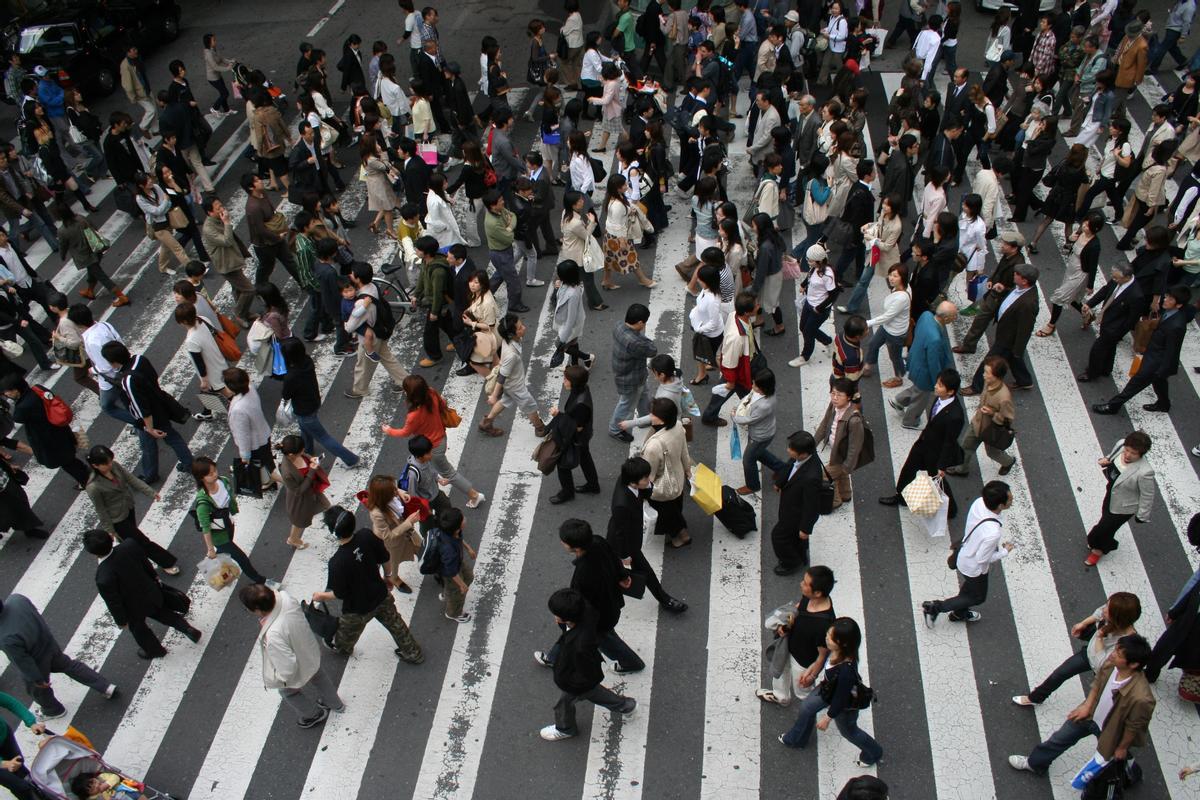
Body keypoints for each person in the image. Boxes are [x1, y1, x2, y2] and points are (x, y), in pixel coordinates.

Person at [1008, 635, 1156, 777]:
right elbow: (1099, 682)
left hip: (1111, 730)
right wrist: (1087, 705)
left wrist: (1122, 747)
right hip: (1089, 714)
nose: (1112, 654)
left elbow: (1134, 726)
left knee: (1114, 755)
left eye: (1118, 653)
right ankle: (1035, 764)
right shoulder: (1112, 664)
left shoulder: (1142, 698)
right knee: (1059, 738)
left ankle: (1130, 770)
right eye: (1116, 648)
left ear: (1134, 664)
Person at [313, 506, 424, 661]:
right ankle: (413, 653)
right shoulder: (366, 535)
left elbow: (339, 593)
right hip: (380, 594)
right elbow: (385, 558)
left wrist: (321, 596)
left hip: (357, 609)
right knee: (396, 624)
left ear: (333, 532)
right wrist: (388, 577)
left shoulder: (337, 563)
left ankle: (342, 648)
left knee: (346, 635)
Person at [534, 519, 644, 674]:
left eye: (564, 541)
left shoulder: (583, 574)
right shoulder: (598, 541)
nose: (561, 542)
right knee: (575, 635)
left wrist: (567, 618)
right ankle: (553, 658)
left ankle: (631, 663)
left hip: (598, 619)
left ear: (576, 547)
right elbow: (613, 558)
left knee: (604, 640)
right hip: (611, 604)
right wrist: (623, 576)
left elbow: (581, 604)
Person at [778, 617, 882, 767]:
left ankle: (874, 752)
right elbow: (823, 661)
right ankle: (796, 739)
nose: (826, 638)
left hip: (842, 705)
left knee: (849, 732)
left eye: (831, 638)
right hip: (828, 689)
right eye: (828, 634)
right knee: (807, 708)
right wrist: (811, 672)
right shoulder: (836, 651)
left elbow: (840, 698)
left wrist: (827, 718)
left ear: (844, 643)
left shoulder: (846, 671)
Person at [239, 583, 344, 731]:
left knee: (288, 692)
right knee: (319, 676)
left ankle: (312, 715)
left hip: (298, 662)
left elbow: (288, 669)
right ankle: (336, 704)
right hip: (309, 650)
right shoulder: (286, 598)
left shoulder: (273, 635)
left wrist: (277, 678)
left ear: (257, 610)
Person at [82, 530, 201, 659]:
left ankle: (155, 650)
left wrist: (121, 620)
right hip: (150, 591)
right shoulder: (129, 545)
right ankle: (187, 629)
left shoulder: (103, 577)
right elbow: (146, 564)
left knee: (139, 630)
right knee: (163, 613)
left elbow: (113, 602)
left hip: (132, 608)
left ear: (94, 553)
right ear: (111, 538)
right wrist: (154, 579)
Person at [537, 587, 637, 741]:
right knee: (595, 694)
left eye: (556, 614)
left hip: (578, 682)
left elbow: (584, 668)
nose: (554, 617)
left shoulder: (578, 645)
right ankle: (626, 706)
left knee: (565, 703)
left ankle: (566, 729)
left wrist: (572, 684)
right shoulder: (587, 613)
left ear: (566, 618)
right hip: (584, 679)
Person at [1015, 591, 1142, 707]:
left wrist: (1099, 637)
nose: (1104, 609)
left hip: (1102, 668)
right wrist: (1084, 623)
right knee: (1060, 674)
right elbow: (1098, 613)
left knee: (1100, 697)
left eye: (1108, 610)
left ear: (1118, 618)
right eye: (1107, 605)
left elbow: (1101, 664)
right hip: (1088, 654)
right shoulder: (1111, 616)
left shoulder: (1126, 642)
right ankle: (1036, 697)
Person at [0, 593, 115, 719]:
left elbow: (22, 661)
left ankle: (52, 710)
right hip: (49, 644)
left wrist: (37, 680)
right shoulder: (17, 600)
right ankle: (105, 686)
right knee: (69, 665)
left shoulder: (5, 638)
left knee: (37, 690)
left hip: (37, 661)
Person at [381, 374, 484, 507]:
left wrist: (388, 430)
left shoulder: (414, 415)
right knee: (437, 467)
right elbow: (443, 404)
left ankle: (474, 495)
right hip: (441, 437)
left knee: (449, 473)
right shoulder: (431, 392)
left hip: (432, 447)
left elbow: (405, 432)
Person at [922, 480, 1014, 625]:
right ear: (1000, 505)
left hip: (964, 554)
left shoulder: (979, 503)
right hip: (975, 568)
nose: (1012, 499)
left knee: (971, 589)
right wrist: (1004, 551)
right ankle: (936, 607)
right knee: (978, 597)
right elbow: (983, 559)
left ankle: (959, 613)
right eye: (1009, 499)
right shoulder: (993, 533)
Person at [880, 368, 965, 517]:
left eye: (940, 385)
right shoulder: (940, 398)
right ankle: (901, 497)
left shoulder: (955, 415)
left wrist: (942, 465)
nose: (935, 387)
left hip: (936, 453)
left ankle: (951, 509)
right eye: (937, 383)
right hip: (923, 444)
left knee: (938, 480)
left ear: (950, 391)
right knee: (908, 469)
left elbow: (949, 442)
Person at [607, 456, 687, 613]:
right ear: (633, 482)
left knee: (614, 569)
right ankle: (665, 600)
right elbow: (620, 533)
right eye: (645, 478)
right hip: (624, 543)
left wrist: (647, 486)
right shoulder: (621, 504)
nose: (649, 479)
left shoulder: (629, 481)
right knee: (643, 570)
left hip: (630, 534)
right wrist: (624, 555)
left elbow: (646, 491)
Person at [1094, 286, 1190, 414]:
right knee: (1159, 382)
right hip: (1154, 355)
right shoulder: (1171, 312)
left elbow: (1172, 350)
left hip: (1156, 362)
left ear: (1179, 305)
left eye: (1170, 299)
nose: (1165, 299)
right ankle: (1164, 404)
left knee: (1135, 383)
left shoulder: (1176, 326)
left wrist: (1162, 370)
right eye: (1167, 296)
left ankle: (1113, 406)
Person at [85, 445, 179, 573]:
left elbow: (131, 478)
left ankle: (136, 559)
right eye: (106, 463)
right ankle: (166, 562)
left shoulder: (115, 466)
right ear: (96, 465)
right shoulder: (94, 487)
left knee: (133, 540)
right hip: (117, 519)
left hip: (128, 508)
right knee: (142, 541)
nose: (110, 464)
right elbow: (101, 510)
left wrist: (150, 492)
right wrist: (110, 530)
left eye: (110, 460)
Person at [757, 565, 836, 706]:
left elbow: (822, 655)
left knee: (803, 690)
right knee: (780, 673)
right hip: (789, 647)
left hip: (803, 662)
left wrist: (812, 675)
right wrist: (784, 626)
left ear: (817, 593)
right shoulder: (809, 597)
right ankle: (780, 697)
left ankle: (808, 708)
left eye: (805, 583)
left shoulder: (824, 625)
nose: (801, 584)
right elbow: (797, 609)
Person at [0, 375, 90, 488]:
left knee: (67, 463)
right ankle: (84, 471)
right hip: (60, 429)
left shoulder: (22, 407)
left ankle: (85, 480)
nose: (6, 395)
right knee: (70, 458)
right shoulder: (38, 389)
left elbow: (17, 418)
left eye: (7, 392)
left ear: (16, 390)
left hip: (49, 441)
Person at [1083, 431, 1156, 567]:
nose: (1127, 454)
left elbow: (1148, 495)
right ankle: (1099, 542)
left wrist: (1142, 515)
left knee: (1105, 528)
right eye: (1127, 450)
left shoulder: (1145, 472)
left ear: (1141, 454)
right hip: (1111, 493)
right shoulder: (1121, 444)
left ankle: (1098, 549)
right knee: (1105, 523)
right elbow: (1113, 455)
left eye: (1133, 453)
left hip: (1124, 507)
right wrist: (1107, 459)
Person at [965, 263, 1039, 394]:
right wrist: (1004, 290)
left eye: (1017, 274)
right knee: (1013, 358)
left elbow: (1025, 329)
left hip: (1007, 339)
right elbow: (1013, 298)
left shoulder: (1028, 304)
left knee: (990, 361)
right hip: (1005, 333)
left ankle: (976, 386)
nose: (1014, 275)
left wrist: (1018, 349)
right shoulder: (1021, 289)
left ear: (1025, 281)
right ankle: (1025, 380)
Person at [1147, 514, 1200, 690]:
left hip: (1194, 611)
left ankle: (1152, 672)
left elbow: (1194, 583)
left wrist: (1175, 610)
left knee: (1171, 640)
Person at [345, 261, 409, 399]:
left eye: (352, 274)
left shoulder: (362, 302)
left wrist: (344, 322)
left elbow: (350, 326)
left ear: (358, 279)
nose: (350, 275)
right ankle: (406, 382)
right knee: (387, 358)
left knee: (363, 364)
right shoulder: (373, 286)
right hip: (380, 331)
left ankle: (359, 389)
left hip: (370, 338)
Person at [889, 301, 957, 429]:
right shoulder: (935, 339)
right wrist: (938, 381)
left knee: (917, 389)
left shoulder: (926, 316)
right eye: (954, 316)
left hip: (915, 359)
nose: (955, 318)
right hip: (924, 372)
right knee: (921, 398)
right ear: (946, 318)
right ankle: (910, 421)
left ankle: (899, 400)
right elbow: (933, 363)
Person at [479, 314, 546, 437]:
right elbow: (502, 376)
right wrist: (494, 396)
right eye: (520, 328)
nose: (524, 328)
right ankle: (540, 428)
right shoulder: (511, 355)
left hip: (511, 384)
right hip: (516, 387)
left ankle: (486, 423)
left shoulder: (509, 339)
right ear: (511, 334)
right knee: (530, 406)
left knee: (505, 400)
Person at [1038, 211, 1103, 337]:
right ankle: (1088, 315)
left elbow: (1093, 266)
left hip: (1081, 273)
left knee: (1059, 298)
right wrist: (1072, 240)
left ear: (1095, 228)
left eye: (1088, 225)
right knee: (1072, 299)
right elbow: (1074, 246)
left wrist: (1090, 285)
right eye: (1085, 222)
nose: (1084, 226)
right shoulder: (1081, 233)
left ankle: (1051, 325)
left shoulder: (1095, 245)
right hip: (1072, 268)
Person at [948, 356, 1016, 478]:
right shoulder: (987, 383)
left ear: (996, 376)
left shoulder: (1004, 397)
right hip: (977, 423)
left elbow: (1008, 418)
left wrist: (992, 414)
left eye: (986, 373)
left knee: (992, 453)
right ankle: (962, 469)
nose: (983, 375)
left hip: (991, 430)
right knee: (965, 446)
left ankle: (1009, 462)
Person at [1076, 263, 1144, 383]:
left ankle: (1092, 373)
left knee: (1097, 349)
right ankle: (1106, 368)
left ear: (1127, 277)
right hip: (1107, 320)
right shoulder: (1117, 281)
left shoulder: (1136, 295)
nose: (1113, 279)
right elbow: (1105, 291)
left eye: (1116, 278)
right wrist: (1090, 303)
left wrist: (1118, 334)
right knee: (1110, 347)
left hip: (1115, 328)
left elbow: (1132, 319)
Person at [701, 291, 759, 427]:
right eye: (756, 305)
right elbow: (730, 363)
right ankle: (748, 417)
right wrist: (731, 381)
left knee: (742, 394)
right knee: (742, 393)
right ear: (746, 312)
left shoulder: (735, 315)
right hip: (738, 369)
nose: (758, 306)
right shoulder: (737, 338)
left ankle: (710, 415)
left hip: (742, 365)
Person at [771, 431, 822, 576]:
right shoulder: (802, 458)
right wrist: (780, 482)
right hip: (790, 507)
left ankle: (791, 562)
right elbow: (790, 466)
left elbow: (812, 506)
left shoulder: (811, 477)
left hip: (794, 514)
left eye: (791, 449)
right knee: (794, 537)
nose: (788, 450)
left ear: (803, 454)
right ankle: (800, 553)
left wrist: (806, 528)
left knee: (778, 537)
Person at [548, 365, 599, 504]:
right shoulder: (582, 390)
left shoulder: (580, 404)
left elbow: (577, 428)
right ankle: (593, 485)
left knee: (563, 465)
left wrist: (558, 415)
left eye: (566, 379)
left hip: (577, 438)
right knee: (585, 457)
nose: (564, 381)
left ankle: (567, 492)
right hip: (583, 437)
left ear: (574, 382)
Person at [223, 367, 278, 495]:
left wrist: (245, 456)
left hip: (255, 443)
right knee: (267, 458)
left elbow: (243, 435)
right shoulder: (250, 388)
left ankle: (272, 480)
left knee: (261, 463)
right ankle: (271, 478)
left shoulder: (239, 410)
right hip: (263, 433)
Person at [813, 378, 867, 510]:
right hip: (836, 450)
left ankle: (835, 500)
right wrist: (812, 443)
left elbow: (855, 446)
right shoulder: (833, 406)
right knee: (840, 473)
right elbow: (824, 424)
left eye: (839, 395)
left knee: (824, 475)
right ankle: (845, 494)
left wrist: (847, 466)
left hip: (842, 456)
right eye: (832, 393)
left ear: (848, 397)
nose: (835, 398)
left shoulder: (854, 420)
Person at [608, 303, 658, 441]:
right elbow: (652, 350)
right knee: (626, 404)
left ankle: (645, 419)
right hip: (632, 378)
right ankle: (615, 429)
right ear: (640, 322)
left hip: (627, 372)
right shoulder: (636, 342)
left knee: (643, 394)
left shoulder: (619, 326)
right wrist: (640, 334)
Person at [732, 368, 786, 495]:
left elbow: (749, 419)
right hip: (765, 432)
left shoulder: (764, 405)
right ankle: (782, 468)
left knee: (748, 460)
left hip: (760, 435)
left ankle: (753, 485)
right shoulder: (768, 393)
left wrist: (734, 417)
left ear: (764, 388)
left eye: (756, 385)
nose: (753, 386)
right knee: (758, 453)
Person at [278, 435, 331, 551]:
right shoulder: (287, 472)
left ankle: (336, 525)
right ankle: (293, 539)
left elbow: (305, 456)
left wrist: (311, 459)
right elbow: (299, 491)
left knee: (328, 507)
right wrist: (312, 471)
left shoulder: (296, 455)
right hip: (302, 500)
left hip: (312, 491)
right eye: (301, 451)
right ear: (291, 455)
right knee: (299, 522)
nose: (303, 451)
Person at [794, 244, 837, 366]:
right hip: (809, 302)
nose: (808, 262)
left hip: (819, 309)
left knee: (808, 332)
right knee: (804, 328)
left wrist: (819, 308)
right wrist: (803, 284)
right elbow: (810, 276)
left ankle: (805, 356)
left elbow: (833, 295)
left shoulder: (827, 275)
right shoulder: (815, 268)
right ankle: (828, 341)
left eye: (810, 260)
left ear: (819, 261)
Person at [431, 507, 476, 623]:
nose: (465, 519)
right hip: (451, 572)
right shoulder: (448, 551)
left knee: (469, 577)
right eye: (462, 519)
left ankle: (447, 594)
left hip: (456, 564)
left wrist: (468, 548)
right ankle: (453, 613)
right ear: (457, 528)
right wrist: (461, 585)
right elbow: (451, 572)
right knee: (458, 592)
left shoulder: (450, 532)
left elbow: (459, 538)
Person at [0, 690, 46, 800]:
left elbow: (10, 703)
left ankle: (37, 789)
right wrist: (3, 764)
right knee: (18, 786)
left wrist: (31, 722)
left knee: (20, 766)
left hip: (4, 736)